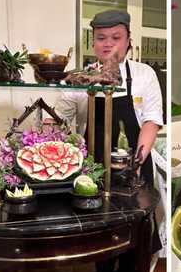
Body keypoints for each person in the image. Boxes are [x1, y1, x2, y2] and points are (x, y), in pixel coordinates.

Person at [54, 9, 163, 188]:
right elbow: (58, 120)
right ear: (94, 43)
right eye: (101, 38)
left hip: (134, 163)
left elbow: (151, 121)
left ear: (128, 41)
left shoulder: (144, 74)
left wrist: (136, 164)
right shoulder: (81, 78)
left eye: (116, 37)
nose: (108, 44)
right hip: (90, 170)